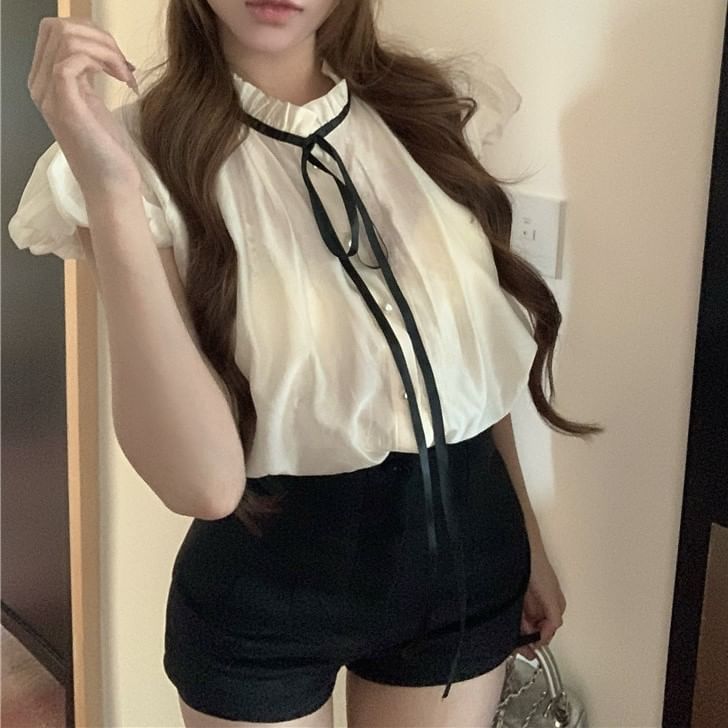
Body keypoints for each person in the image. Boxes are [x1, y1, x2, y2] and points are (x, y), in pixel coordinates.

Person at [10, 1, 601, 725]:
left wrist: (528, 540)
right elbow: (204, 485)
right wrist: (109, 189)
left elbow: (467, 368)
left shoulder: (434, 110)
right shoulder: (132, 157)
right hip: (266, 582)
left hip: (466, 554)